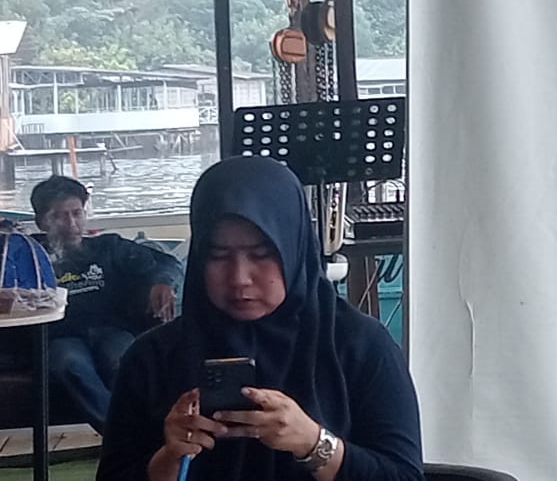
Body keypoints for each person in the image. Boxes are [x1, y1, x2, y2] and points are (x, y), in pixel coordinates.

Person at [96, 156, 423, 481]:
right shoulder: (152, 358)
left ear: (292, 247)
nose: (239, 277)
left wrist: (314, 443)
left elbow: (404, 475)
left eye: (261, 254)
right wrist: (169, 458)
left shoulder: (360, 345)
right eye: (218, 255)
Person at [30, 174, 181, 433]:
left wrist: (162, 281)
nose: (71, 224)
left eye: (76, 213)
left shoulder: (109, 247)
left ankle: (135, 435)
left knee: (123, 361)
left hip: (113, 330)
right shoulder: (31, 256)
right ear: (41, 221)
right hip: (61, 335)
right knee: (72, 366)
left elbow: (166, 263)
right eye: (59, 216)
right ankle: (125, 436)